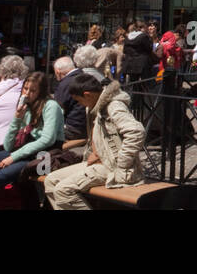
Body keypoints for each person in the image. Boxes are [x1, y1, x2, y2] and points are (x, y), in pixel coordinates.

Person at [0, 71, 63, 209]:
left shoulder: (51, 106)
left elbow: (47, 139)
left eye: (33, 90)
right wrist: (17, 118)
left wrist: (13, 157)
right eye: (25, 89)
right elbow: (8, 145)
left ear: (41, 91)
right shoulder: (26, 105)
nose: (27, 93)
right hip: (24, 152)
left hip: (42, 156)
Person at [44, 73, 146, 210]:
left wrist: (122, 164)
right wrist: (95, 152)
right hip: (101, 162)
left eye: (79, 101)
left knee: (63, 190)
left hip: (115, 168)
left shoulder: (113, 106)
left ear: (87, 95)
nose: (80, 105)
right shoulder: (94, 106)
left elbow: (136, 132)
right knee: (50, 180)